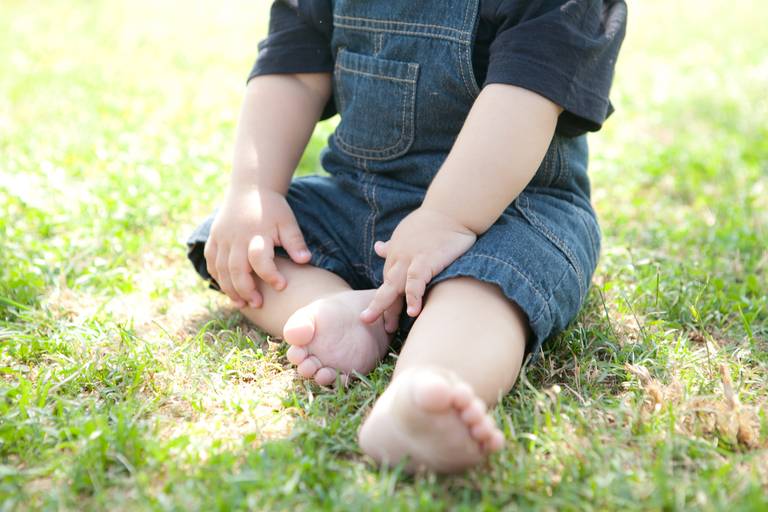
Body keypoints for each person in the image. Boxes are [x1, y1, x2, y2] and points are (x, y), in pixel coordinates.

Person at [187, 0, 627, 473]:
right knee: (257, 246)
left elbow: (525, 97)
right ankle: (347, 310)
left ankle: (424, 391)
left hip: (505, 213)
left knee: (490, 286)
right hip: (359, 200)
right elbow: (292, 71)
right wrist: (256, 189)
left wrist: (446, 217)